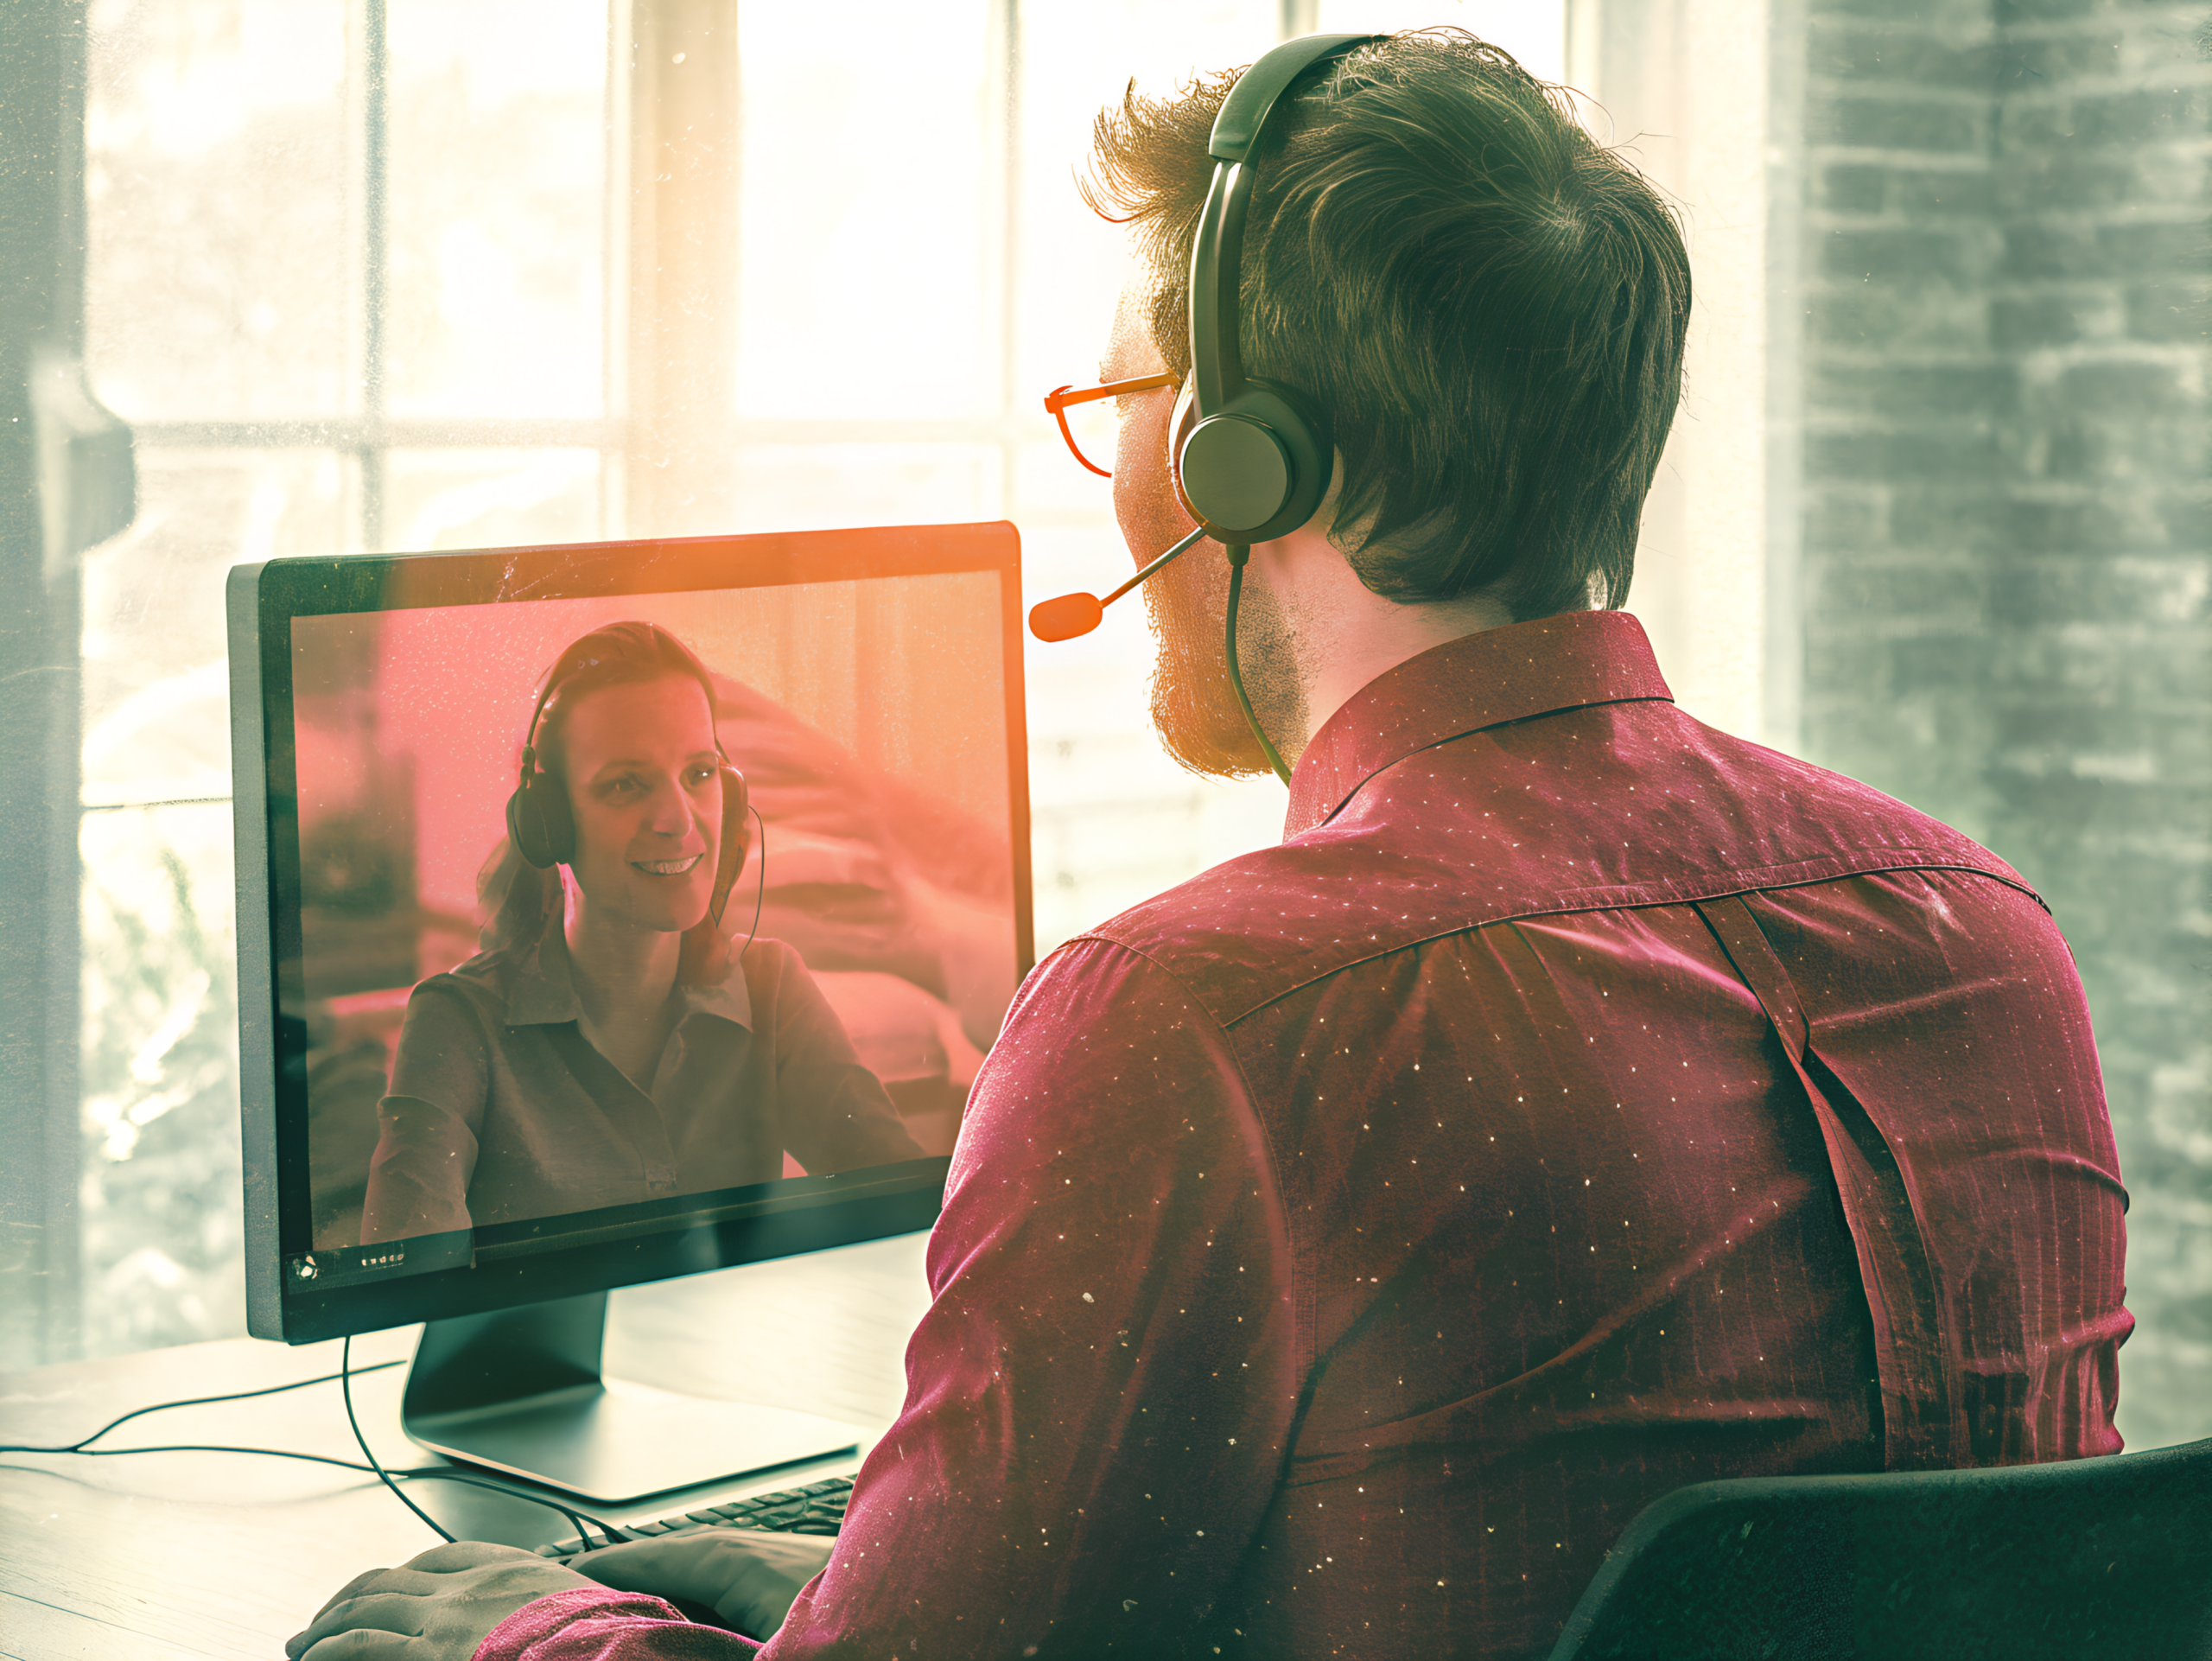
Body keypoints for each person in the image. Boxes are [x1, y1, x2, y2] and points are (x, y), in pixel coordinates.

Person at [293, 30, 2131, 1659]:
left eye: (1124, 410)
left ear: (1244, 463)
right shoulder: (1986, 939)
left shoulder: (1205, 1022)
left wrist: (531, 1622)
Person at [358, 620, 922, 1243]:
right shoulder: (458, 1022)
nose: (680, 821)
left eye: (700, 774)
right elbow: (403, 1269)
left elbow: (915, 1214)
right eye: (625, 784)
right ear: (550, 824)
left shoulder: (773, 988)